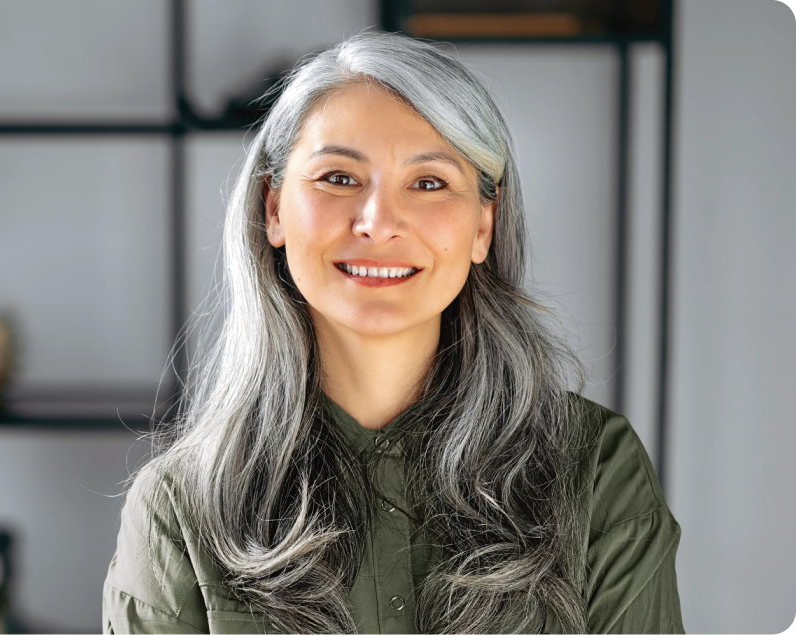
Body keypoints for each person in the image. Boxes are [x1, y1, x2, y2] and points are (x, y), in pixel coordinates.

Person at [103, 31, 685, 635]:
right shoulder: (178, 508)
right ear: (273, 208)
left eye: (429, 183)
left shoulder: (594, 468)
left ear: (484, 224)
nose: (378, 223)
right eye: (337, 177)